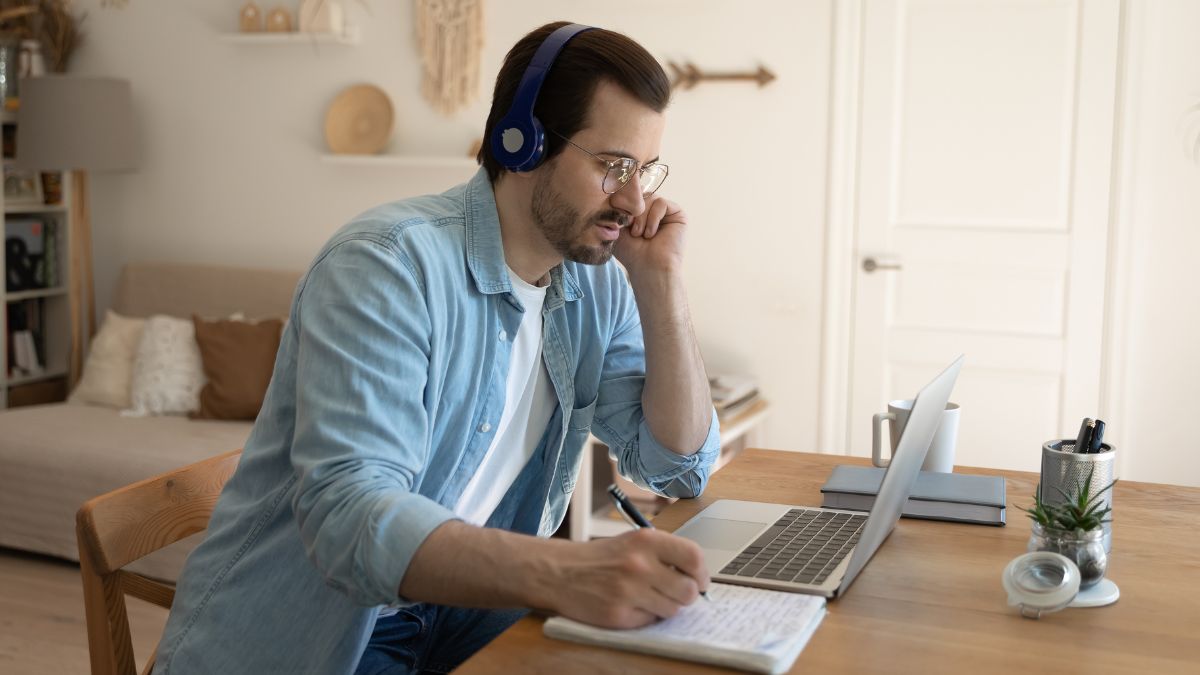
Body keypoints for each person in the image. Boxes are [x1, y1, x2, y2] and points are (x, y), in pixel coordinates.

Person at [154, 21, 719, 674]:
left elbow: (679, 468)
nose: (633, 200)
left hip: (466, 605)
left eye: (645, 169)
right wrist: (565, 570)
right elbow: (348, 516)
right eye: (613, 166)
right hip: (331, 630)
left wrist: (663, 283)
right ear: (523, 140)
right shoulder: (386, 266)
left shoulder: (596, 283)